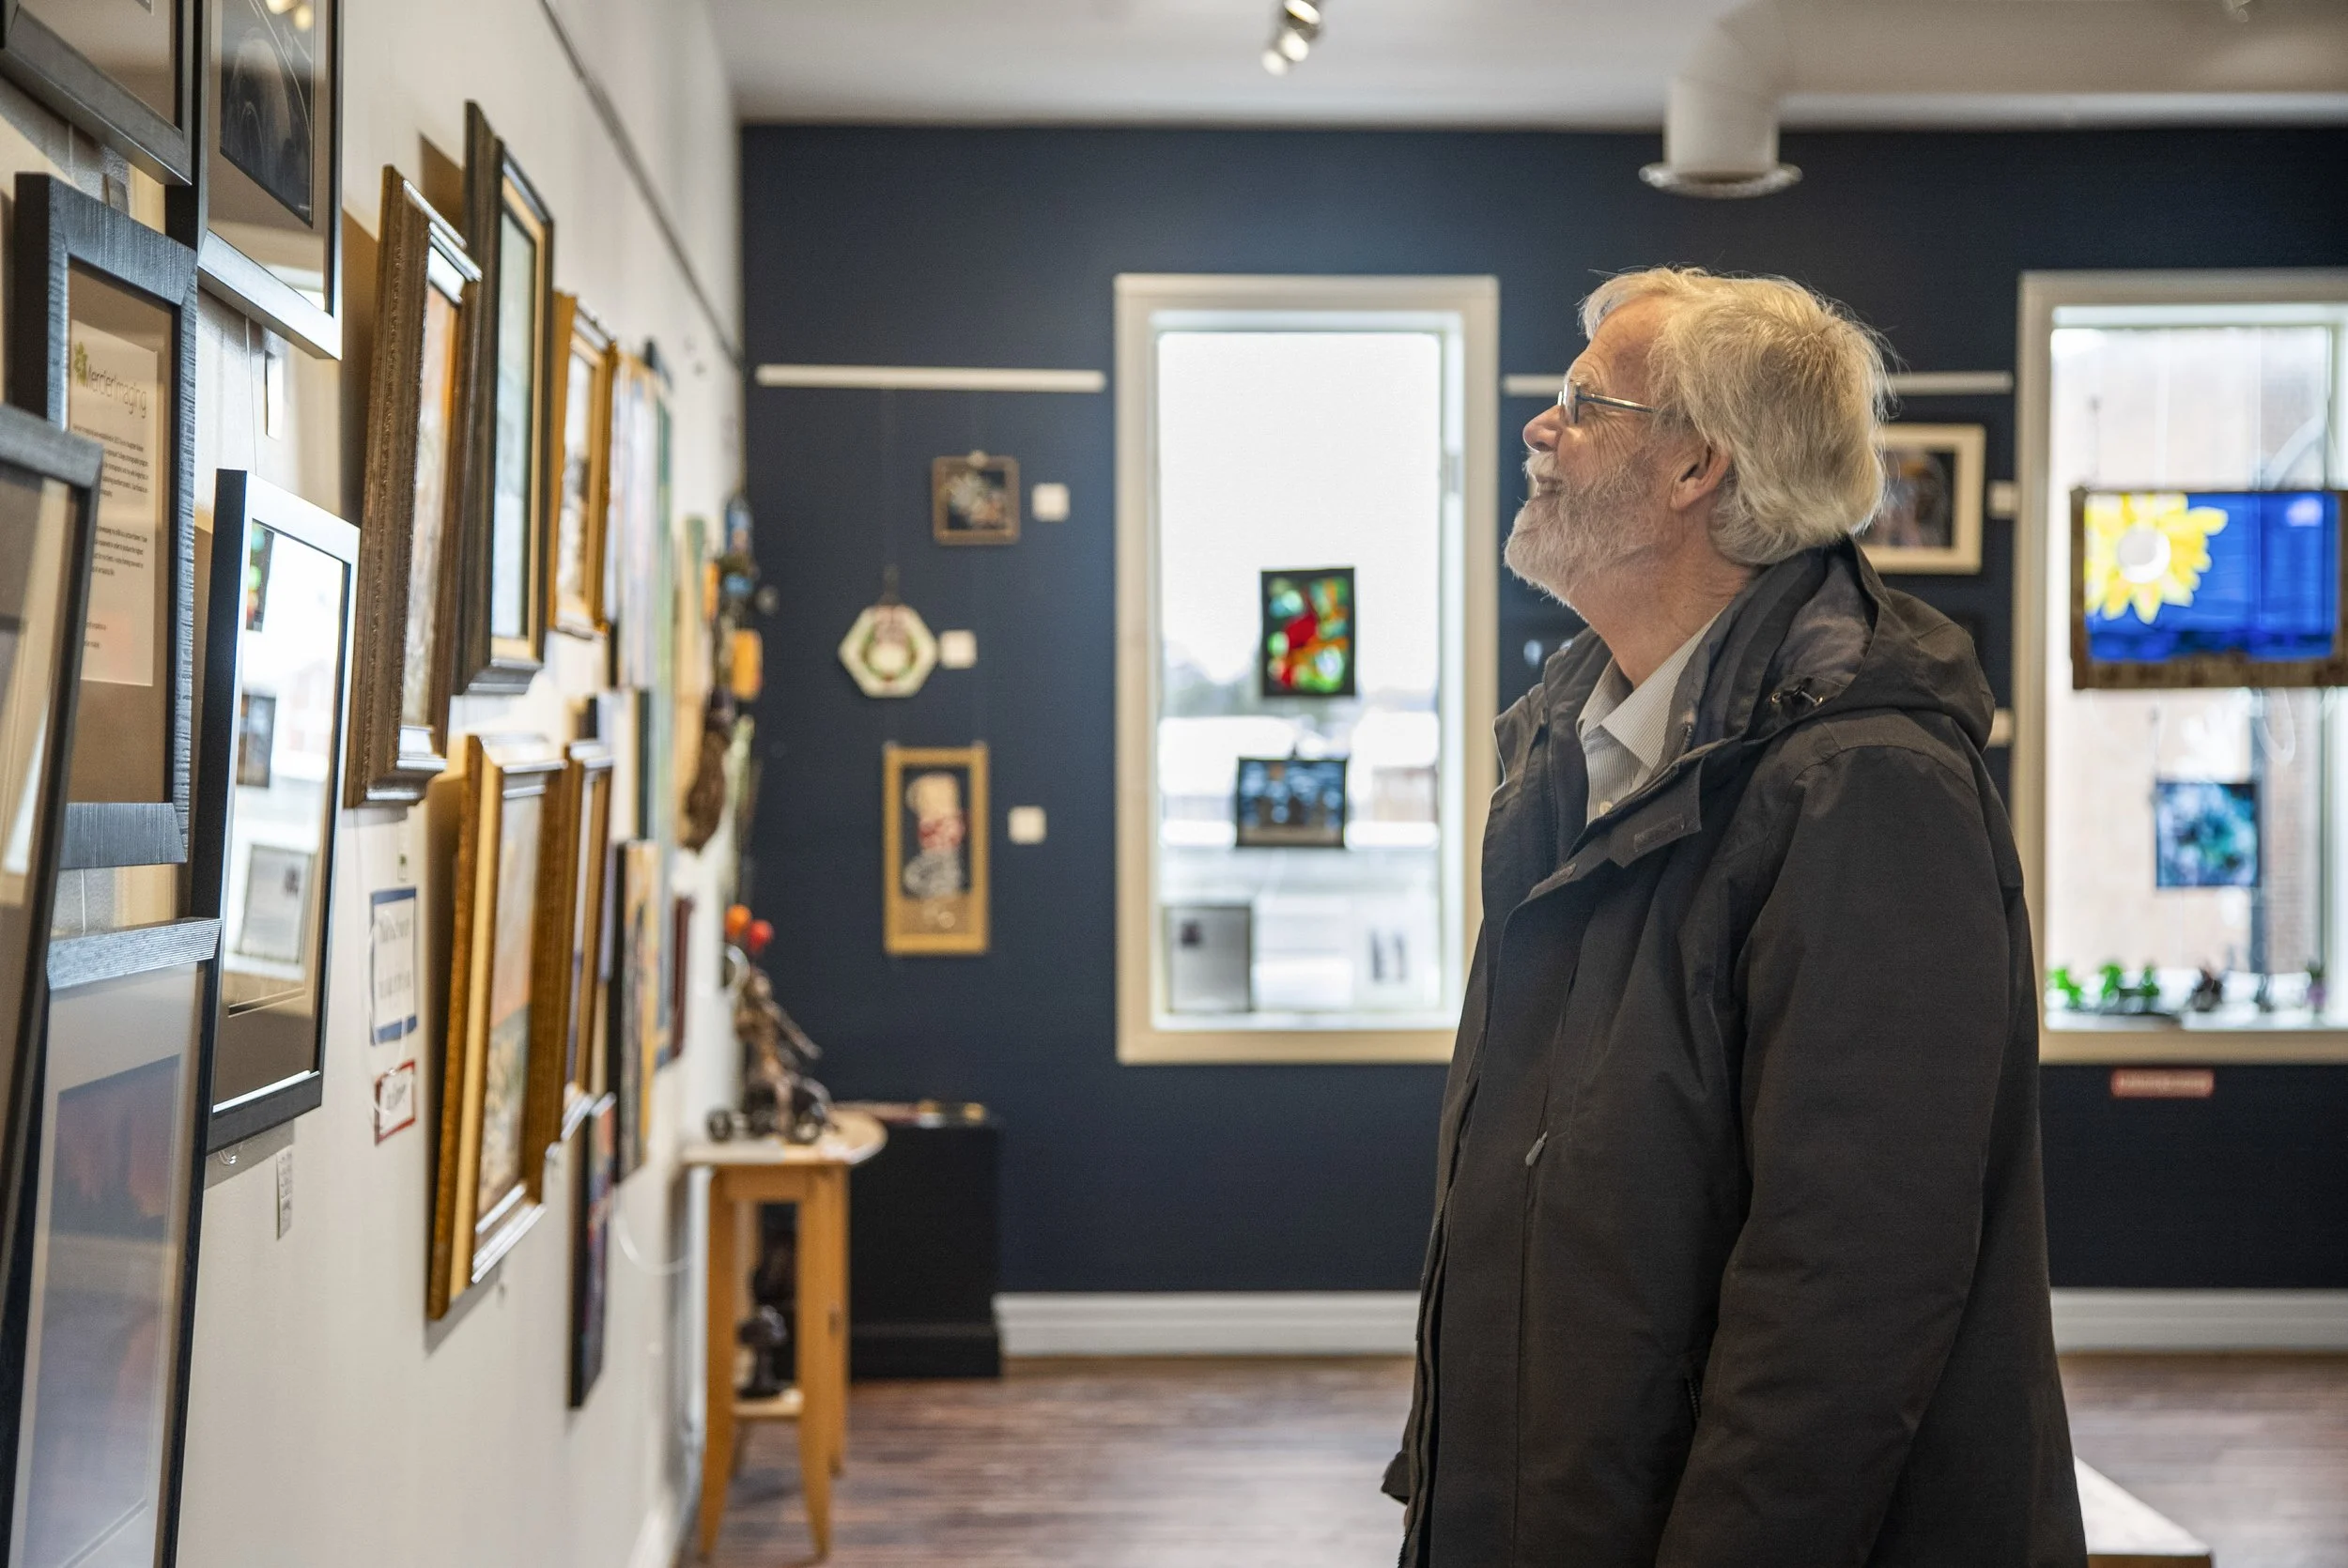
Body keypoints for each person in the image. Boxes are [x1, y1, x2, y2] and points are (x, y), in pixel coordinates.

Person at [1383, 268, 2086, 1567]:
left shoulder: (1863, 785)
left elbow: (1847, 1300)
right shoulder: (1570, 750)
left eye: (1583, 402)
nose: (1540, 429)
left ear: (1697, 462)